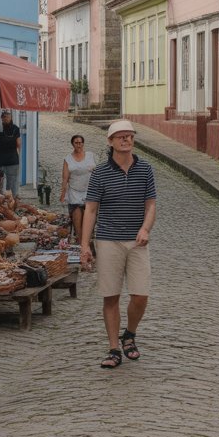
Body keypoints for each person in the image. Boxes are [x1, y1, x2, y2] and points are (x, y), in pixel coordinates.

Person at [80, 120, 156, 369]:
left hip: (136, 241)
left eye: (130, 136)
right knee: (110, 296)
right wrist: (84, 246)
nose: (126, 140)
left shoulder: (145, 170)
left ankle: (129, 334)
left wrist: (145, 228)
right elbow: (90, 210)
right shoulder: (100, 173)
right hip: (108, 239)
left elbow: (151, 205)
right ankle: (114, 349)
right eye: (121, 136)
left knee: (140, 295)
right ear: (110, 141)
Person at [61, 134, 96, 245]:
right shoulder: (68, 159)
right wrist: (63, 193)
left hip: (89, 190)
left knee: (88, 218)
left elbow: (97, 172)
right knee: (77, 216)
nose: (78, 145)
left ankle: (88, 240)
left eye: (80, 142)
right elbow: (65, 178)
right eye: (76, 143)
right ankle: (81, 242)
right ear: (72, 144)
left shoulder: (90, 156)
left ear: (83, 144)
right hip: (74, 191)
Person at [0, 110, 21, 198]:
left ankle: (12, 202)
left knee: (9, 185)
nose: (6, 118)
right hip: (1, 161)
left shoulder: (15, 129)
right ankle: (3, 201)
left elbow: (18, 144)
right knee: (2, 184)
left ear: (11, 117)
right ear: (1, 118)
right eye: (5, 116)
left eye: (7, 116)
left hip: (10, 161)